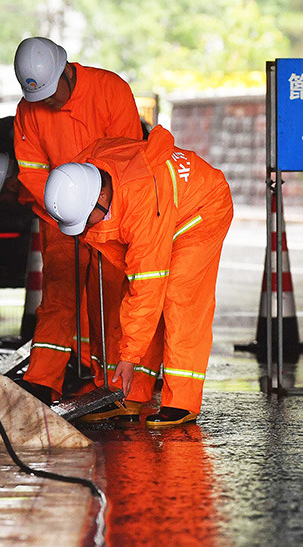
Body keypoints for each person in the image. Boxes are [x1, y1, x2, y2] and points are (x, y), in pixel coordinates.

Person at [44, 125, 233, 427]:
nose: (85, 227)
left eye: (86, 220)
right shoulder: (81, 174)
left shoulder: (140, 201)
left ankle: (181, 401)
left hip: (200, 211)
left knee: (177, 297)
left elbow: (147, 285)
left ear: (101, 196)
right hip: (162, 209)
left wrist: (129, 356)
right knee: (131, 299)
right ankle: (130, 392)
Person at [12, 36, 155, 420]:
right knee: (59, 293)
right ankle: (43, 379)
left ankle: (116, 383)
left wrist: (93, 207)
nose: (45, 104)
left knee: (109, 295)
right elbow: (31, 171)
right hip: (58, 214)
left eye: (50, 94)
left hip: (109, 211)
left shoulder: (110, 90)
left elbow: (126, 156)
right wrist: (63, 210)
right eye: (37, 97)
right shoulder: (27, 110)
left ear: (65, 71)